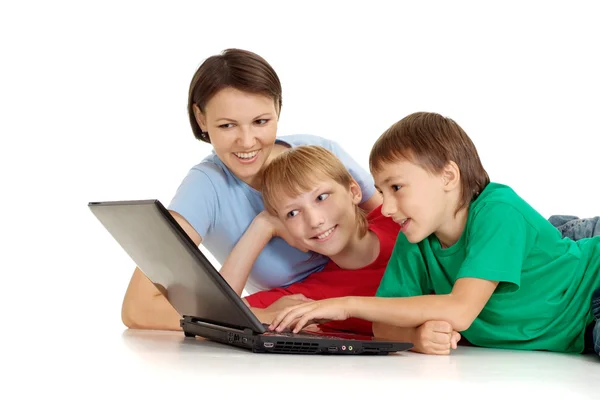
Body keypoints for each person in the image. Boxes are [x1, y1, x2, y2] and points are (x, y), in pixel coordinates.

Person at [268, 112, 600, 357]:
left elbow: (460, 310)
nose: (385, 208)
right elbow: (382, 327)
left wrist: (345, 305)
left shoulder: (499, 209)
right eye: (383, 191)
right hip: (568, 329)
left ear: (448, 176)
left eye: (397, 187)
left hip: (590, 290)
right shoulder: (414, 237)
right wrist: (416, 337)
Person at [120, 49, 381, 331]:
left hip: (382, 288)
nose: (246, 142)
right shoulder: (205, 188)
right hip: (306, 311)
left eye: (261, 121)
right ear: (201, 119)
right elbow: (138, 308)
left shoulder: (318, 152)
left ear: (278, 107)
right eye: (227, 125)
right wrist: (259, 316)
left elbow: (392, 224)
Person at [219, 145, 461, 351]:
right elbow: (192, 315)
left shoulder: (399, 218)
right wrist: (260, 228)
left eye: (322, 197)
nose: (314, 220)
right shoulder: (314, 298)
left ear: (354, 191)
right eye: (292, 213)